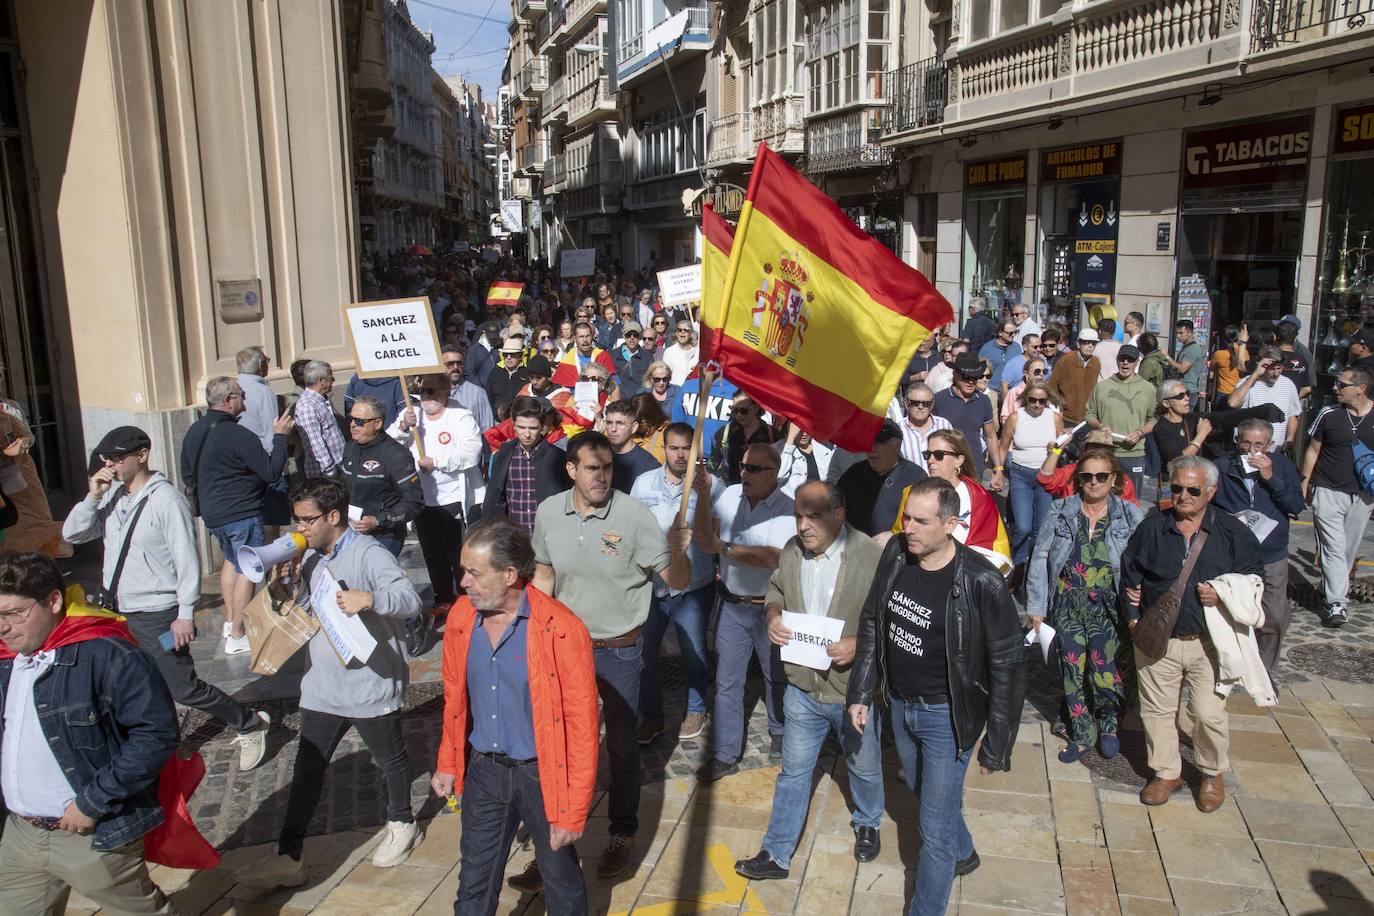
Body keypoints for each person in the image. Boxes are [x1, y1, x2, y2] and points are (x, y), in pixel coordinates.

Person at [847, 479, 1026, 915]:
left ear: (951, 525)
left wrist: (997, 744)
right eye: (907, 516)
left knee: (933, 828)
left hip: (947, 718)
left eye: (921, 521)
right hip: (900, 706)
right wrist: (861, 691)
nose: (908, 528)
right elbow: (872, 620)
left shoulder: (981, 581)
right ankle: (964, 852)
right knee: (927, 794)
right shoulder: (895, 555)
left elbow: (1008, 665)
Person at [237, 478, 424, 888]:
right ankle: (289, 855)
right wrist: (286, 587)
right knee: (307, 770)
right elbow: (307, 611)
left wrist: (371, 599)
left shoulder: (369, 553)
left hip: (369, 684)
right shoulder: (310, 557)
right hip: (322, 684)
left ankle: (402, 822)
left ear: (333, 517)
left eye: (308, 520)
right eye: (298, 520)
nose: (300, 529)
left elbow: (409, 599)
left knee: (390, 760)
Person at [530, 432, 692, 877]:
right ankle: (554, 844)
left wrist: (679, 549)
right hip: (565, 652)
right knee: (559, 744)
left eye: (606, 468)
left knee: (621, 748)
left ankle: (622, 832)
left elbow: (676, 580)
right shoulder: (548, 513)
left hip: (619, 651)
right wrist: (532, 637)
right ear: (571, 470)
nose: (601, 476)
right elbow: (543, 579)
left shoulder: (634, 516)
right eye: (591, 468)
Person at [63, 426, 270, 769]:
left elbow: (188, 560)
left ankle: (250, 722)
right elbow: (72, 534)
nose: (111, 465)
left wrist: (185, 613)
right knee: (138, 686)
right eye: (107, 459)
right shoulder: (112, 497)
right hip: (120, 611)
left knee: (183, 688)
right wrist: (93, 497)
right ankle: (164, 745)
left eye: (118, 458)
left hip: (158, 611)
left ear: (142, 454)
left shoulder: (167, 501)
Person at [432, 517, 599, 916]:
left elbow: (582, 727)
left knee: (558, 874)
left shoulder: (561, 629)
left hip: (542, 777)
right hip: (483, 773)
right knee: (474, 879)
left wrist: (573, 811)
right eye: (463, 572)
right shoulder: (460, 619)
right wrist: (448, 763)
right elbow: (454, 701)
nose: (464, 583)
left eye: (474, 573)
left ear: (509, 575)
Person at [0, 551, 180, 915]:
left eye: (13, 613)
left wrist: (91, 802)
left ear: (53, 601)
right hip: (21, 836)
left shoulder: (109, 655)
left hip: (91, 835)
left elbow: (155, 735)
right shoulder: (8, 660)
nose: (3, 626)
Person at [735, 481, 885, 880]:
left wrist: (858, 643)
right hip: (802, 689)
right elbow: (776, 590)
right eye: (798, 515)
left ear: (838, 514)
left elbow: (892, 619)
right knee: (794, 772)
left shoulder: (869, 555)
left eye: (812, 516)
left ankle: (868, 821)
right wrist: (771, 616)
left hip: (852, 691)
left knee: (864, 766)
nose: (802, 525)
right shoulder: (792, 550)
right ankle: (776, 853)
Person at [1120, 457, 1263, 812]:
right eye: (1177, 488)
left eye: (1193, 490)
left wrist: (1224, 595)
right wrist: (1134, 620)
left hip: (1207, 642)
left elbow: (1255, 580)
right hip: (1159, 640)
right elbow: (1129, 574)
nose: (1183, 496)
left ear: (1210, 492)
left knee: (1207, 713)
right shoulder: (1154, 527)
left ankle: (1212, 773)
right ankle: (1166, 773)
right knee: (1156, 711)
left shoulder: (1231, 531)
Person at [1026, 453, 1143, 762]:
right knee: (1071, 669)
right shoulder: (1061, 511)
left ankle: (1108, 726)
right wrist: (1037, 608)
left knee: (1106, 670)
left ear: (1114, 479)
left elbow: (1142, 561)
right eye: (1087, 476)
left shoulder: (1128, 515)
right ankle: (1080, 732)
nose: (1093, 482)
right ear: (1079, 480)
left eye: (1101, 476)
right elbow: (1040, 557)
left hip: (1110, 607)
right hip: (1067, 603)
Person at [692, 443, 795, 780]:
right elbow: (707, 535)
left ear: (774, 473)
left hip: (769, 608)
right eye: (742, 466)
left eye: (753, 469)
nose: (744, 474)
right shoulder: (731, 494)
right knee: (726, 683)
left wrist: (725, 548)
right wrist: (704, 495)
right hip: (733, 605)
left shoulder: (787, 507)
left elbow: (773, 557)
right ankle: (724, 753)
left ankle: (780, 733)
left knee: (776, 677)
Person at [180, 376, 292, 654]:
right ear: (229, 400)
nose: (245, 400)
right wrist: (280, 437)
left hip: (213, 514)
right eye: (241, 395)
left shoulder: (195, 431)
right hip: (241, 512)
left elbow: (186, 473)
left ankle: (231, 623)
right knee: (249, 570)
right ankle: (238, 634)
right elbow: (271, 471)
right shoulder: (239, 435)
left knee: (232, 562)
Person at [632, 423, 716, 745]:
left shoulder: (710, 485)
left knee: (693, 651)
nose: (680, 455)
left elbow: (713, 538)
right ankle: (652, 716)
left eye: (687, 448)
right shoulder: (643, 484)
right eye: (674, 447)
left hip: (692, 586)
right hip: (652, 585)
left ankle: (696, 709)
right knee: (644, 652)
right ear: (663, 449)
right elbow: (633, 530)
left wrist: (703, 499)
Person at [1210, 419, 1304, 673]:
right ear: (1237, 442)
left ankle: (1263, 671)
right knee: (1230, 613)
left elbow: (1296, 505)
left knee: (1273, 615)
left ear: (1270, 445)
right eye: (1246, 443)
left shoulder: (1283, 466)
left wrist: (1271, 478)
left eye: (1259, 445)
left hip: (1271, 553)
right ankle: (1229, 666)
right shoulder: (1221, 467)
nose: (1252, 451)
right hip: (1233, 553)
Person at [390, 374, 483, 619]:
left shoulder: (460, 416)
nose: (426, 397)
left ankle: (465, 598)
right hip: (421, 498)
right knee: (431, 552)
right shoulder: (411, 414)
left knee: (456, 553)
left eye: (431, 391)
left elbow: (472, 453)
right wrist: (402, 428)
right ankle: (443, 598)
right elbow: (388, 444)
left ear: (445, 391)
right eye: (422, 391)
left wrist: (438, 462)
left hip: (451, 497)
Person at [1301, 366, 1374, 628]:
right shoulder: (1328, 413)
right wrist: (1305, 482)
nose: (1335, 388)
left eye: (1341, 384)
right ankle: (1337, 604)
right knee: (1333, 547)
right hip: (1328, 488)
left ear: (1360, 389)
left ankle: (1332, 590)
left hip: (1364, 494)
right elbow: (1313, 449)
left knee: (1346, 549)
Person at [895, 428, 1011, 571]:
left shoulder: (980, 499)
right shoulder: (912, 493)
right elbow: (900, 536)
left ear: (959, 461)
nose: (930, 461)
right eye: (927, 455)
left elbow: (996, 549)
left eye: (938, 455)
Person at [340, 393, 423, 559]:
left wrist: (378, 520)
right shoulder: (350, 448)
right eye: (351, 419)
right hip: (351, 532)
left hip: (384, 535)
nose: (353, 425)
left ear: (377, 423)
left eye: (360, 421)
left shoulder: (396, 455)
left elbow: (414, 503)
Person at [1000, 381, 1063, 570]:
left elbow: (1062, 446)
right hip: (1020, 474)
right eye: (1032, 400)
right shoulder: (1015, 417)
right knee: (1022, 527)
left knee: (1040, 529)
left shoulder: (1055, 418)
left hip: (1045, 478)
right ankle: (1018, 565)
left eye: (1042, 401)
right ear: (1025, 398)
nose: (1036, 405)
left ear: (1048, 400)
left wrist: (1056, 449)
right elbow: (1003, 447)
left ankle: (1034, 570)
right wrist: (997, 472)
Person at [483, 397, 570, 532]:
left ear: (542, 426)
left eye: (533, 428)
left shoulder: (557, 457)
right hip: (514, 539)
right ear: (513, 426)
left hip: (547, 536)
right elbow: (493, 499)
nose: (527, 434)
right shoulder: (503, 455)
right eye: (522, 428)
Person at [837, 420, 927, 536]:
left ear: (897, 446)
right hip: (854, 550)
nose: (872, 449)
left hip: (896, 550)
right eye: (868, 442)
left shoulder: (915, 476)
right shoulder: (854, 474)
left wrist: (894, 536)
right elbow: (834, 508)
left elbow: (924, 521)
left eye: (878, 443)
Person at [1085, 344, 1155, 493]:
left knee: (1132, 499)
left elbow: (1154, 419)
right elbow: (1089, 414)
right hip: (1105, 452)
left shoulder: (1148, 388)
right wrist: (1099, 426)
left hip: (1134, 454)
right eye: (1122, 359)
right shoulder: (1102, 387)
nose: (1125, 363)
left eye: (1130, 360)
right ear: (1117, 360)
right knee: (1102, 498)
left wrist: (1140, 433)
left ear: (1137, 362)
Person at [934, 353, 1003, 485]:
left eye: (975, 377)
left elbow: (991, 436)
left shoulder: (983, 401)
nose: (971, 381)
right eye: (966, 377)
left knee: (971, 504)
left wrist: (998, 469)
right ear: (956, 375)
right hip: (945, 466)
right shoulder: (939, 399)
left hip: (974, 466)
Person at [1227, 348, 1302, 451]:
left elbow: (1292, 415)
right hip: (1248, 449)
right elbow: (1233, 403)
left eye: (1278, 368)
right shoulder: (1247, 382)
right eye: (1271, 369)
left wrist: (1289, 439)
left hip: (1276, 450)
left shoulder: (1288, 385)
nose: (1275, 373)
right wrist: (1255, 375)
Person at [1150, 379, 1214, 494]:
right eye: (1180, 396)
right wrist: (1201, 435)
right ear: (1166, 403)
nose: (1187, 398)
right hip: (1174, 484)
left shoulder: (1191, 419)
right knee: (1173, 510)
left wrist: (1257, 411)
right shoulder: (1161, 428)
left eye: (1187, 394)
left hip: (1194, 479)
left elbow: (1225, 417)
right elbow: (1178, 460)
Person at [709, 392, 777, 484]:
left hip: (761, 491)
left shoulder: (772, 434)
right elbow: (712, 465)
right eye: (735, 410)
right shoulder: (725, 432)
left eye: (743, 411)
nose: (739, 415)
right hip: (729, 490)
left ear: (756, 408)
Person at [294, 360, 345, 478]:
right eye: (331, 378)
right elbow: (315, 442)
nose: (333, 381)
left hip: (338, 466)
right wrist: (329, 470)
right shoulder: (307, 407)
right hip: (324, 474)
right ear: (321, 381)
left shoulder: (319, 400)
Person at [603, 399, 661, 493]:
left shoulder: (649, 466)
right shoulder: (598, 456)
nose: (613, 429)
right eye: (609, 423)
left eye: (620, 423)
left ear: (634, 427)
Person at [1047, 328, 1101, 424]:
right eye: (1086, 342)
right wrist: (1059, 408)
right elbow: (1052, 387)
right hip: (1066, 417)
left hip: (1087, 418)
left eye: (1093, 343)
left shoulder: (1096, 362)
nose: (1090, 346)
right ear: (1078, 344)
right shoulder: (1065, 360)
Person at [897, 383, 952, 474]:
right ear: (906, 403)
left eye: (926, 403)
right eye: (915, 403)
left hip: (939, 485)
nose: (920, 407)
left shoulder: (944, 425)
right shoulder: (898, 429)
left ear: (932, 405)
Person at [444, 342, 497, 432]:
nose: (456, 367)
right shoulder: (432, 394)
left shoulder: (478, 393)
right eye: (450, 364)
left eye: (459, 363)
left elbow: (488, 429)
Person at [551, 321, 620, 389]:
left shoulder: (603, 356)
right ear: (575, 338)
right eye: (581, 336)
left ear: (592, 337)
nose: (585, 340)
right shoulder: (567, 360)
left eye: (588, 336)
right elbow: (558, 389)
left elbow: (614, 383)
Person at [779, 429, 835, 497]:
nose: (804, 434)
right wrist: (789, 442)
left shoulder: (825, 447)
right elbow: (778, 476)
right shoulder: (781, 451)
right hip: (799, 504)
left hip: (824, 500)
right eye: (800, 431)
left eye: (806, 429)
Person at [486, 339, 530, 418]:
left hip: (520, 420)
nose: (509, 358)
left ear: (520, 355)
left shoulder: (527, 373)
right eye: (506, 354)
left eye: (512, 354)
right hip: (497, 420)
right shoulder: (495, 372)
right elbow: (488, 396)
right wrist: (495, 414)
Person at [1167, 319, 1206, 403]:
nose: (1178, 336)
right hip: (1182, 389)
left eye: (1181, 333)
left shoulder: (1193, 349)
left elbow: (1182, 369)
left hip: (1188, 391)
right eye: (1177, 333)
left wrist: (1167, 357)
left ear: (1190, 333)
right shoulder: (1186, 347)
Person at [1000, 356, 1050, 421]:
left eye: (1044, 371)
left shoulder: (1048, 392)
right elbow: (1005, 419)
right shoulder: (1014, 393)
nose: (1041, 374)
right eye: (1037, 371)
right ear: (1026, 373)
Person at [1209, 325, 1247, 408]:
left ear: (1224, 339)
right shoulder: (1245, 353)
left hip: (1223, 393)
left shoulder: (1219, 354)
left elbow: (1211, 367)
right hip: (1239, 392)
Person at [614, 321, 654, 398]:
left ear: (639, 337)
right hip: (620, 401)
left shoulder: (647, 356)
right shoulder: (613, 355)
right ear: (623, 336)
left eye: (635, 335)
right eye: (628, 335)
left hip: (640, 401)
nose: (632, 338)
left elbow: (650, 381)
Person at [977, 319, 1021, 388]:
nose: (1013, 335)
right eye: (1010, 333)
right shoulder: (987, 348)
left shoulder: (1017, 347)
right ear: (1000, 333)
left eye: (1015, 332)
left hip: (1012, 390)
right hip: (993, 389)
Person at [663, 319, 699, 386]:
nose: (682, 332)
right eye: (680, 330)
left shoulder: (698, 352)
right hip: (676, 390)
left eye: (686, 330)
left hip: (691, 391)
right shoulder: (669, 352)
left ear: (690, 334)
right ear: (676, 333)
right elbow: (665, 374)